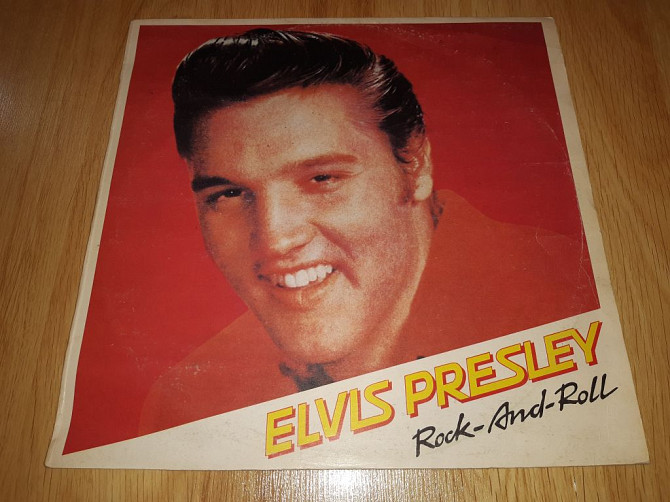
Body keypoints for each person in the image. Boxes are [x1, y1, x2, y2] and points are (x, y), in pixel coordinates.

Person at [139, 29, 598, 434]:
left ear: (414, 165)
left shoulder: (579, 302)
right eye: (228, 194)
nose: (275, 239)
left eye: (322, 178)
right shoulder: (190, 408)